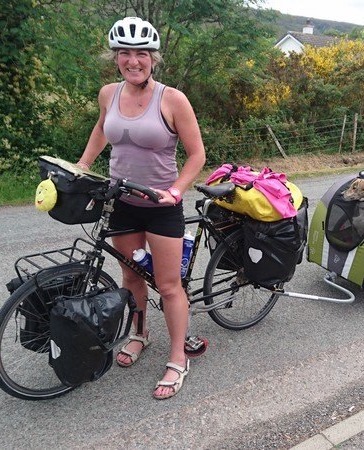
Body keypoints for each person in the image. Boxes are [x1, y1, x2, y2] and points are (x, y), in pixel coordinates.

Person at [75, 17, 206, 400]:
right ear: (116, 58)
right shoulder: (108, 94)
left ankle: (179, 356)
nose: (133, 61)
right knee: (131, 278)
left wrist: (177, 191)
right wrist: (83, 166)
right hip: (121, 202)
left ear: (153, 58)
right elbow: (102, 129)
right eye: (125, 54)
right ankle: (139, 334)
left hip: (160, 206)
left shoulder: (172, 99)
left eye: (141, 54)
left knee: (167, 285)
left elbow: (197, 154)